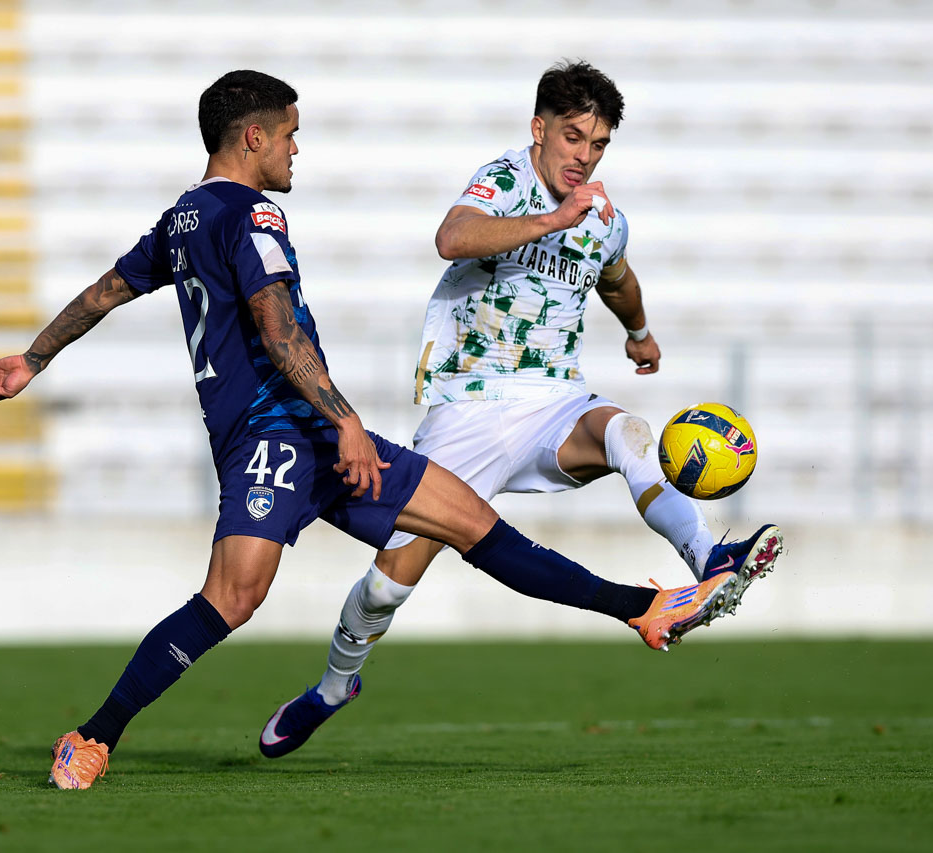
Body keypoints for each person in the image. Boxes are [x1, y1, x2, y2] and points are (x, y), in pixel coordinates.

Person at [0, 70, 741, 791]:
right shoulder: (253, 212)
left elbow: (102, 293)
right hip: (273, 432)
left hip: (309, 431)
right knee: (231, 598)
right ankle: (92, 735)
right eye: (291, 133)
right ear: (253, 137)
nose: (298, 147)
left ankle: (641, 608)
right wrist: (347, 422)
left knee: (473, 525)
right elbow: (275, 325)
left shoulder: (180, 219)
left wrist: (32, 359)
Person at [257, 61, 784, 759]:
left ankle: (709, 560)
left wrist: (638, 332)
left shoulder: (603, 219)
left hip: (554, 401)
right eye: (573, 137)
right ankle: (333, 685)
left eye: (598, 145)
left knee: (628, 432)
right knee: (387, 586)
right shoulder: (506, 181)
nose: (584, 156)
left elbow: (616, 276)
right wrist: (552, 219)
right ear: (539, 130)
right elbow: (452, 237)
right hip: (468, 404)